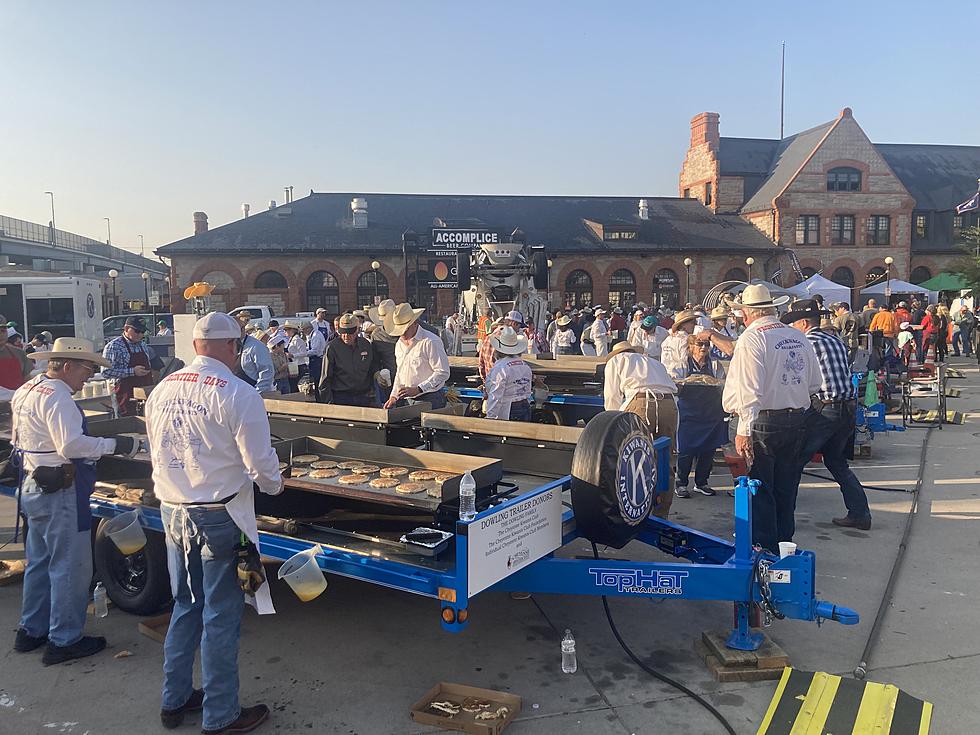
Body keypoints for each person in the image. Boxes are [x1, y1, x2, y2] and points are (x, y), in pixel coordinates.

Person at [145, 312, 283, 735]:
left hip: (173, 510)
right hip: (220, 515)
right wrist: (276, 484)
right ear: (230, 347)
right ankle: (221, 714)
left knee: (185, 606)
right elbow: (260, 465)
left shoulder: (161, 390)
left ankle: (175, 699)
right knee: (222, 616)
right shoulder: (239, 393)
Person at [12, 338, 139, 664]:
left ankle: (31, 630)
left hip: (33, 484)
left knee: (39, 563)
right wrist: (117, 444)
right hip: (59, 491)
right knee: (70, 567)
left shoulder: (29, 389)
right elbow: (71, 446)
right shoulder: (59, 398)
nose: (90, 375)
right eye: (87, 368)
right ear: (67, 365)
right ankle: (64, 639)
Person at [722, 285, 822, 553]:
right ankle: (784, 545)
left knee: (759, 488)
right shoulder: (797, 335)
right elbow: (814, 383)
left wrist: (744, 429)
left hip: (763, 423)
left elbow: (749, 390)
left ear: (746, 313)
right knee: (786, 487)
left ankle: (765, 551)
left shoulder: (752, 338)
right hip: (797, 418)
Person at [782, 299, 872, 531]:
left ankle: (783, 518)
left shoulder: (804, 341)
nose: (792, 328)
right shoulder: (834, 339)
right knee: (836, 462)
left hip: (826, 407)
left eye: (793, 323)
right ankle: (859, 513)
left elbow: (801, 379)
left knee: (793, 463)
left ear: (803, 323)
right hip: (848, 407)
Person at [603, 340, 678, 517]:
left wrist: (609, 425)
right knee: (665, 459)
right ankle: (662, 511)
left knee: (633, 457)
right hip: (668, 404)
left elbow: (612, 397)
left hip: (641, 402)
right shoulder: (653, 362)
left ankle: (633, 508)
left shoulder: (616, 361)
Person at [674, 334, 727, 499]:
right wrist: (687, 382)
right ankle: (681, 483)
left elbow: (723, 383)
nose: (703, 348)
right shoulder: (682, 364)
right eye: (699, 344)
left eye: (706, 345)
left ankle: (702, 482)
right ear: (691, 347)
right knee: (686, 450)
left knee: (708, 450)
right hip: (689, 412)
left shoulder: (714, 364)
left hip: (711, 413)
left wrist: (713, 383)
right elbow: (675, 385)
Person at [384, 303, 450, 410]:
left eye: (405, 330)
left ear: (414, 323)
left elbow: (443, 372)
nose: (402, 334)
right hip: (408, 398)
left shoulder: (431, 341)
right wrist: (393, 396)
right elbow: (400, 373)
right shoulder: (399, 344)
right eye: (400, 331)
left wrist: (419, 389)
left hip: (430, 398)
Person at [319, 314, 381, 406]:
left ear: (357, 330)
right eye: (343, 332)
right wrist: (329, 404)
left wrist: (377, 374)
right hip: (341, 397)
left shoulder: (365, 345)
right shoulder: (332, 348)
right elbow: (325, 378)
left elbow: (372, 365)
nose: (346, 336)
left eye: (349, 332)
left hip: (364, 396)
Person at [102, 316, 155, 416]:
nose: (140, 334)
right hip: (124, 395)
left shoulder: (143, 345)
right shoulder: (113, 346)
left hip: (144, 394)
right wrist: (132, 371)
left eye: (143, 332)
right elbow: (105, 372)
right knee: (126, 424)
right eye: (137, 331)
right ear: (126, 329)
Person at [484, 327, 533, 421]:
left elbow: (496, 395)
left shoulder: (500, 368)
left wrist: (490, 417)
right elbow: (527, 391)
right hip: (524, 405)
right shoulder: (525, 365)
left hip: (509, 409)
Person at [234, 312, 275, 395]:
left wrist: (256, 393)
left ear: (242, 330)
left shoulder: (256, 347)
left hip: (254, 395)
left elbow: (267, 372)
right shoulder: (232, 346)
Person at [368, 299, 398, 401]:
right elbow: (374, 360)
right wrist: (377, 374)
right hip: (390, 382)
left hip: (410, 382)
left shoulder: (407, 329)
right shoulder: (377, 335)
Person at [660, 309, 698, 380]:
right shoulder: (686, 340)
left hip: (664, 376)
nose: (695, 324)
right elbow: (685, 361)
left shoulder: (667, 340)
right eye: (692, 322)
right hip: (681, 377)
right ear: (683, 325)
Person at [283, 321, 309, 392]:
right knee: (292, 384)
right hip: (293, 365)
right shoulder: (291, 340)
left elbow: (304, 353)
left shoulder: (297, 340)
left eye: (286, 330)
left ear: (292, 330)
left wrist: (292, 355)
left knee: (293, 384)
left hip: (299, 365)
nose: (285, 332)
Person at [302, 322, 326, 397]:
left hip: (318, 360)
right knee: (314, 381)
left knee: (318, 380)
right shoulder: (311, 335)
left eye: (304, 330)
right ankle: (317, 396)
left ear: (309, 328)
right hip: (314, 360)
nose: (303, 332)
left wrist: (302, 354)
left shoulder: (316, 335)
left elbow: (314, 351)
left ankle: (320, 398)